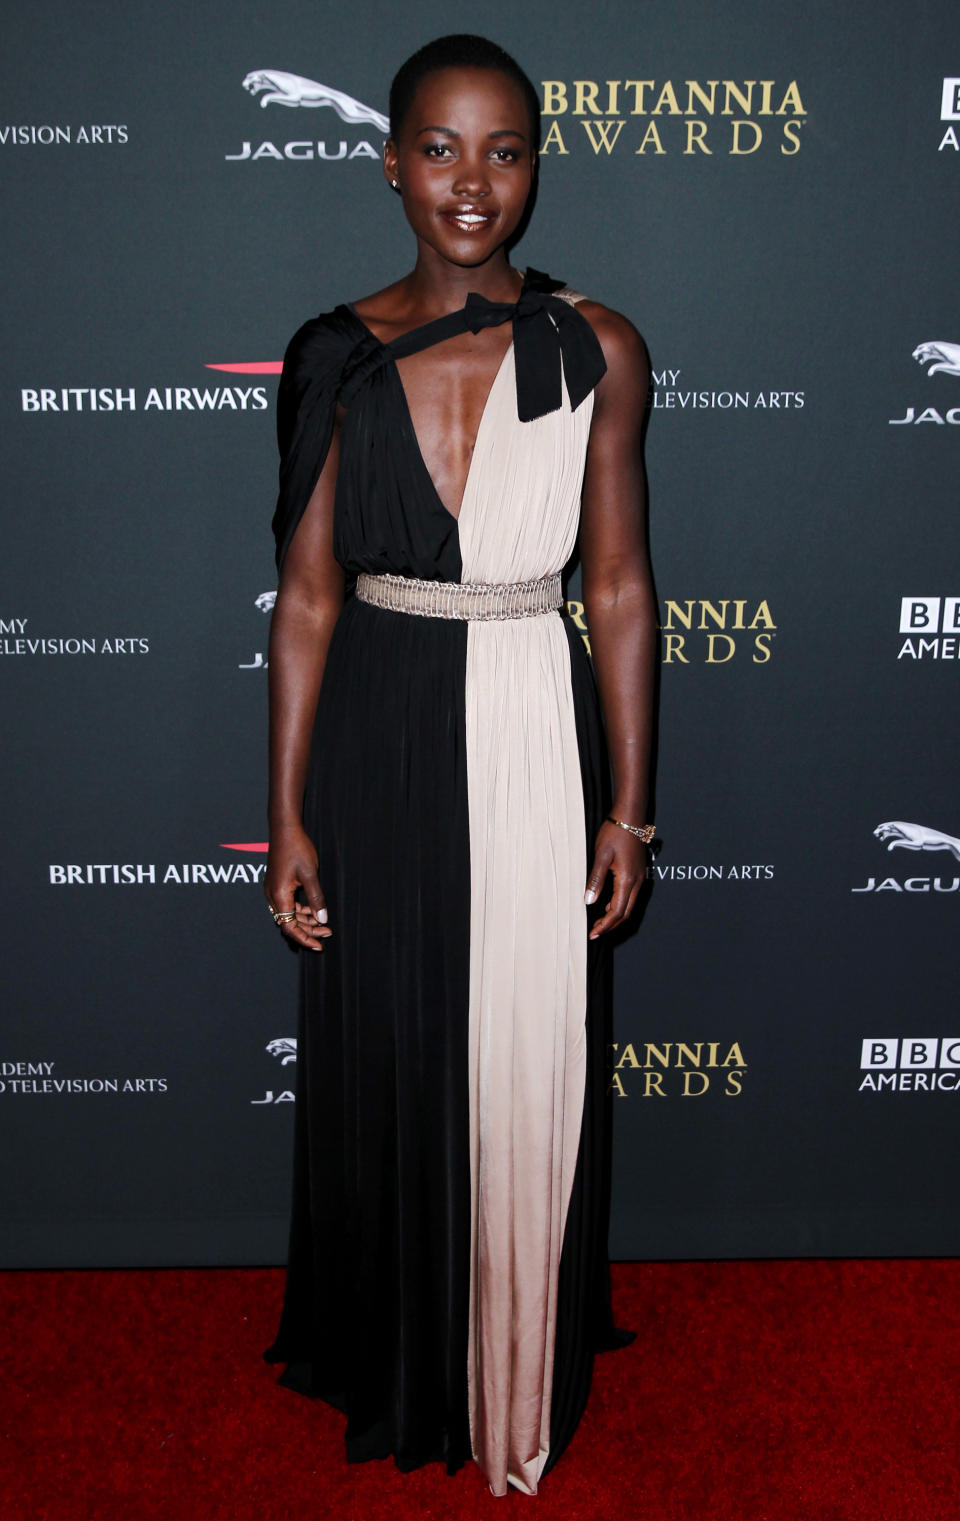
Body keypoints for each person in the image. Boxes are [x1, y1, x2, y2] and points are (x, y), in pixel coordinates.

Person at [261, 33, 656, 1498]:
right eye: (440, 148)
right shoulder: (333, 356)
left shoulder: (599, 347)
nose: (471, 182)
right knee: (391, 1041)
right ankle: (393, 1347)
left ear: (538, 165)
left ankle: (507, 1352)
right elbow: (305, 598)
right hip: (376, 719)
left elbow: (617, 587)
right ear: (389, 161)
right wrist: (287, 806)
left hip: (530, 723)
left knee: (524, 1053)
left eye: (503, 150)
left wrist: (631, 804)